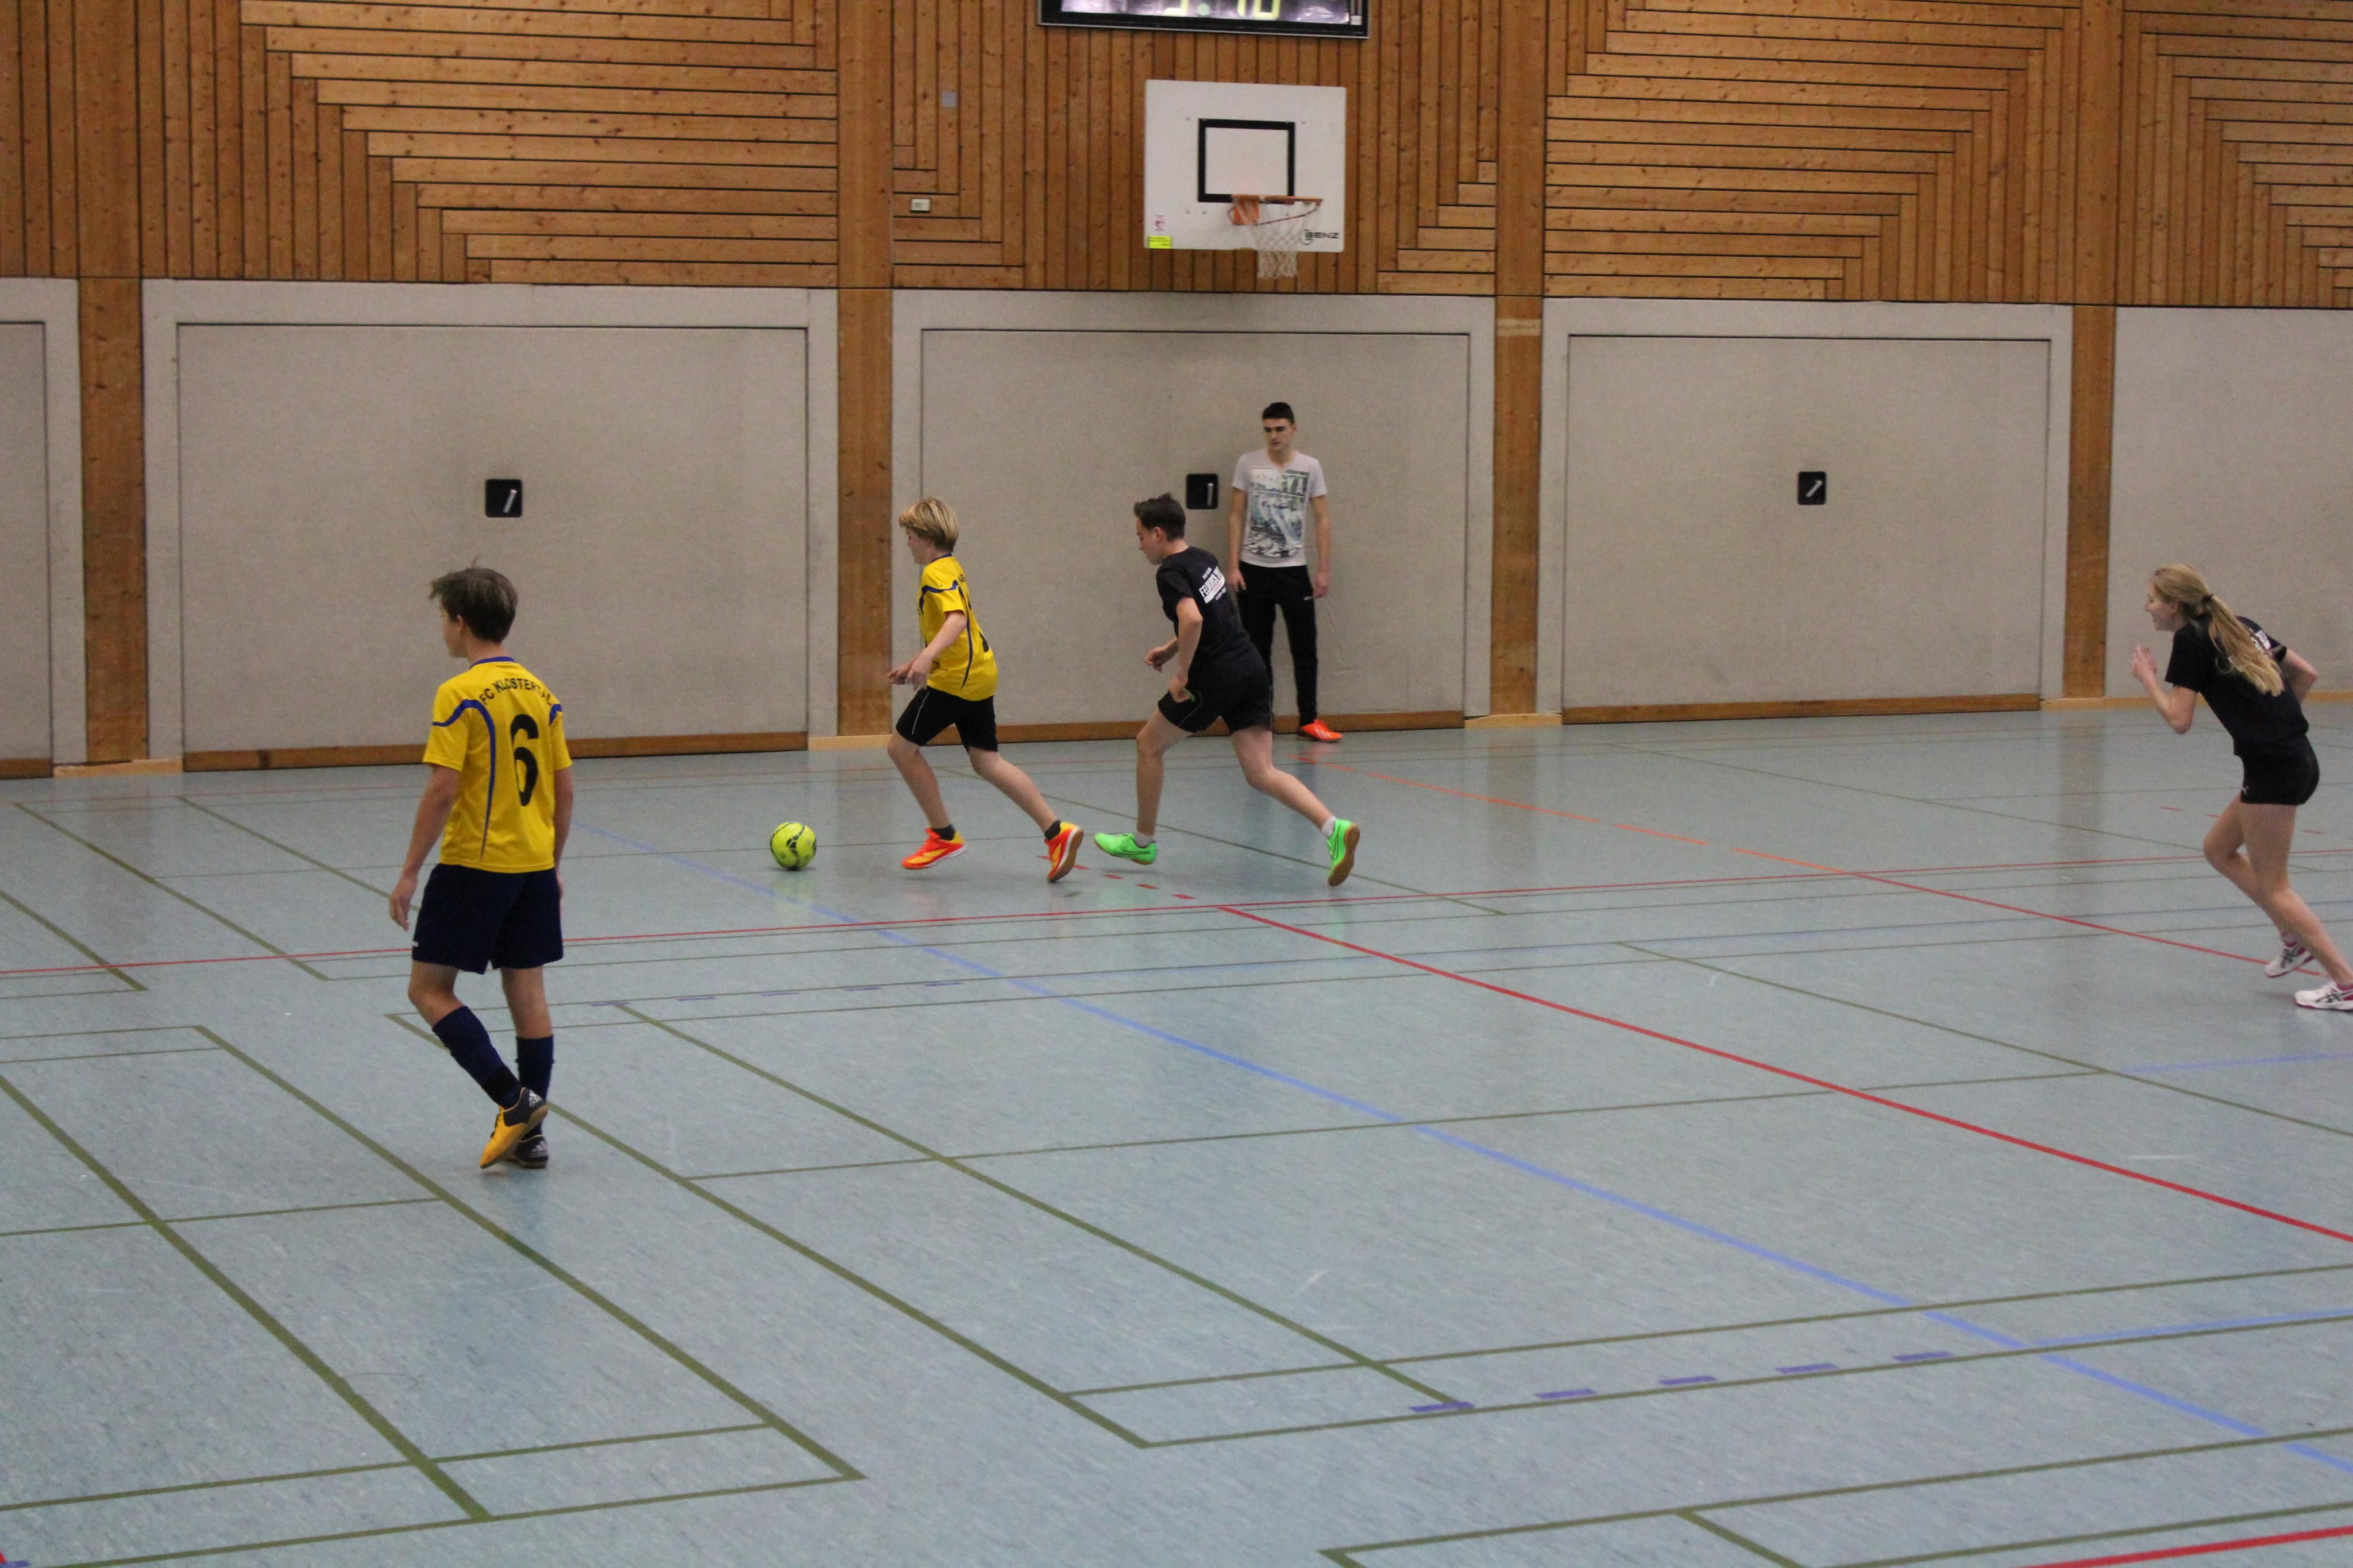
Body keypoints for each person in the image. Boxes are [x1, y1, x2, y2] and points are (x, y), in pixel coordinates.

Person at [389, 566, 570, 1168]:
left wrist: (410, 871)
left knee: (428, 989)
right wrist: (552, 864)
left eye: (444, 619)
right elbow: (564, 787)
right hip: (533, 865)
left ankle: (512, 1102)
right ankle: (532, 1136)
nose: (443, 629)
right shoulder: (541, 692)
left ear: (461, 623)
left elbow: (444, 787)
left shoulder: (459, 693)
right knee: (528, 990)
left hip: (475, 865)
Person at [1096, 495, 1360, 886]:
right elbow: (1213, 617)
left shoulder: (1170, 572)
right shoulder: (1204, 559)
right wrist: (1171, 648)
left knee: (1148, 745)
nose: (1139, 545)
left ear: (1158, 533)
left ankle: (1142, 843)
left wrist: (1182, 674)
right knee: (1261, 772)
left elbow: (1192, 618)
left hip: (1215, 677)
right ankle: (1333, 829)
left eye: (1140, 536)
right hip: (1250, 668)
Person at [2130, 563, 2352, 1011]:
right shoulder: (2241, 626)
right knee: (2218, 849)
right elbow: (2306, 674)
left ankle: (2345, 983)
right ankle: (2292, 937)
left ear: (2174, 605)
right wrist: (2275, 724)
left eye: (2152, 600)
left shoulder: (2190, 640)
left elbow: (2179, 720)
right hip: (2294, 758)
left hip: (2274, 769)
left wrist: (2148, 679)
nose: (2147, 608)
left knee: (2276, 886)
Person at [886, 497, 1085, 879]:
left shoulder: (934, 573)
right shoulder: (952, 566)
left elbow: (956, 621)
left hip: (955, 681)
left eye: (910, 536)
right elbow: (954, 631)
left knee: (900, 748)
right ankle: (1057, 831)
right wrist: (917, 661)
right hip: (979, 673)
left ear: (926, 537)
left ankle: (944, 836)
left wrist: (927, 660)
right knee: (986, 760)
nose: (907, 543)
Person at [1228, 400, 1341, 743]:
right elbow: (1235, 515)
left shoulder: (1310, 467)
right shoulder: (1248, 464)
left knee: (1305, 649)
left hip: (1293, 571)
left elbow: (1322, 519)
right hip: (1253, 570)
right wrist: (1233, 565)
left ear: (1293, 429)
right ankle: (1262, 720)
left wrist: (1323, 569)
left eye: (1280, 429)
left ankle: (1309, 719)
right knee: (1257, 652)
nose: (1274, 436)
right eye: (1268, 430)